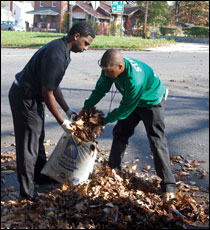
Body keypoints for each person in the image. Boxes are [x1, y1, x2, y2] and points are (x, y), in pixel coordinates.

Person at [8, 21, 95, 202]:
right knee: (28, 146)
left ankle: (40, 176)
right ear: (76, 36)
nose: (86, 48)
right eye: (86, 43)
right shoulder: (56, 53)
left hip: (32, 97)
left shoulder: (63, 50)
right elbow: (47, 93)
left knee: (37, 137)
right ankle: (26, 192)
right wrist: (62, 122)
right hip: (24, 97)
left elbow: (53, 85)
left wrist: (67, 109)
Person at [79, 49, 176, 202]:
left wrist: (104, 121)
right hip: (132, 100)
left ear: (120, 67)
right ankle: (113, 170)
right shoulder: (109, 68)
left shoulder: (134, 79)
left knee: (157, 142)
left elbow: (125, 109)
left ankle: (168, 186)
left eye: (110, 72)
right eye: (104, 71)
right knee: (120, 133)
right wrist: (85, 108)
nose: (107, 75)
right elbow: (100, 90)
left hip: (151, 101)